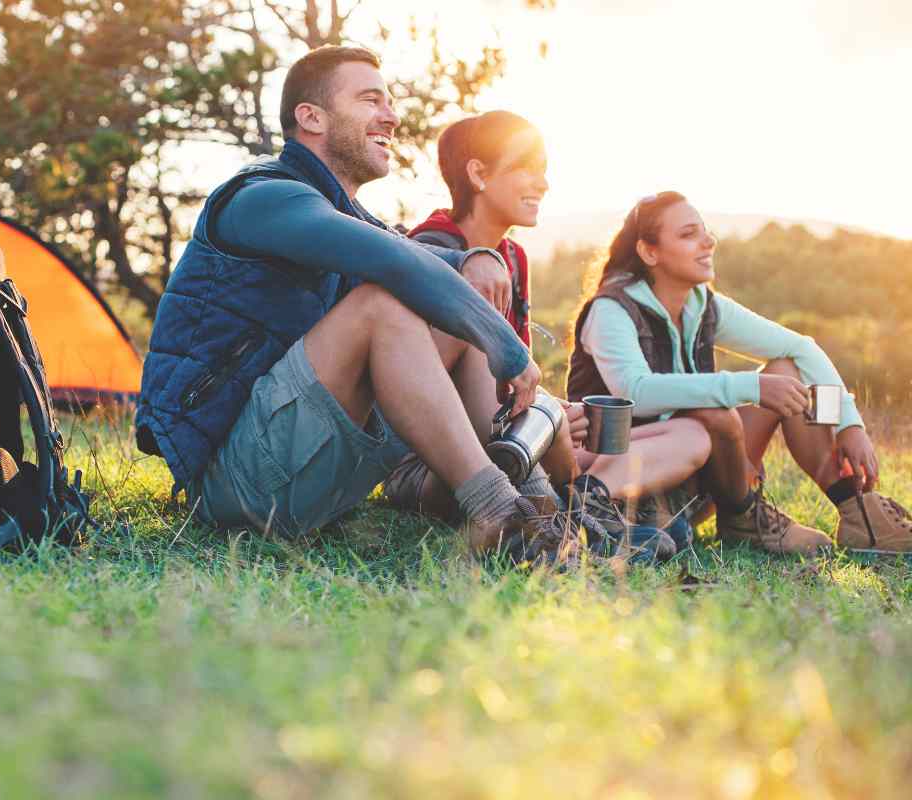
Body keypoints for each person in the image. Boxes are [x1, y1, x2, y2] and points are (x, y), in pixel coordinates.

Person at [135, 45, 577, 560]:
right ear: (311, 117)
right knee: (384, 305)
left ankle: (543, 507)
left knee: (450, 304)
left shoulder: (347, 213)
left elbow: (415, 258)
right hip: (235, 483)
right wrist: (509, 349)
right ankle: (497, 509)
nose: (390, 115)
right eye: (370, 100)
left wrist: (477, 258)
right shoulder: (261, 197)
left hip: (314, 472)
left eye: (388, 103)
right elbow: (395, 260)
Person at [384, 112, 710, 553]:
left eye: (544, 170)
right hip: (437, 464)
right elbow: (425, 381)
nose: (543, 184)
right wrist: (544, 412)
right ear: (478, 173)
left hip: (512, 437)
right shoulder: (433, 251)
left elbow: (512, 378)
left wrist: (556, 410)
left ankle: (589, 505)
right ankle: (572, 521)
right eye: (527, 168)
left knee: (691, 436)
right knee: (490, 349)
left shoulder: (513, 257)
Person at [567, 190, 912, 554]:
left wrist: (848, 423)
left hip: (701, 476)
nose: (708, 242)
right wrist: (750, 386)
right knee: (713, 411)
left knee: (788, 371)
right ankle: (743, 515)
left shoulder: (703, 305)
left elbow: (802, 349)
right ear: (649, 252)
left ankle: (857, 510)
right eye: (688, 235)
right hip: (636, 476)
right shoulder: (611, 309)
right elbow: (634, 390)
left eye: (705, 231)